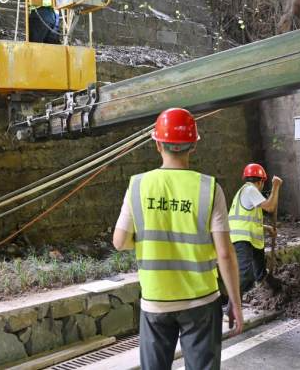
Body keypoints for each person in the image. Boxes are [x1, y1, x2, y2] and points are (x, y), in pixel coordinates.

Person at [113, 108, 243, 370]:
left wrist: (147, 242)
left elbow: (119, 241)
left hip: (156, 300)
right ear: (193, 145)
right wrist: (236, 304)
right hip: (202, 301)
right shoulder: (209, 188)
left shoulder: (138, 185)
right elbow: (225, 254)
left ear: (157, 144)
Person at [229, 163, 283, 296]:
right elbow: (270, 207)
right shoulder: (250, 190)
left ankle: (267, 294)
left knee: (260, 273)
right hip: (242, 239)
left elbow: (248, 220)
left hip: (250, 238)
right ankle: (231, 308)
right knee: (245, 275)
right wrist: (276, 187)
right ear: (261, 182)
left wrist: (266, 228)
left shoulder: (246, 191)